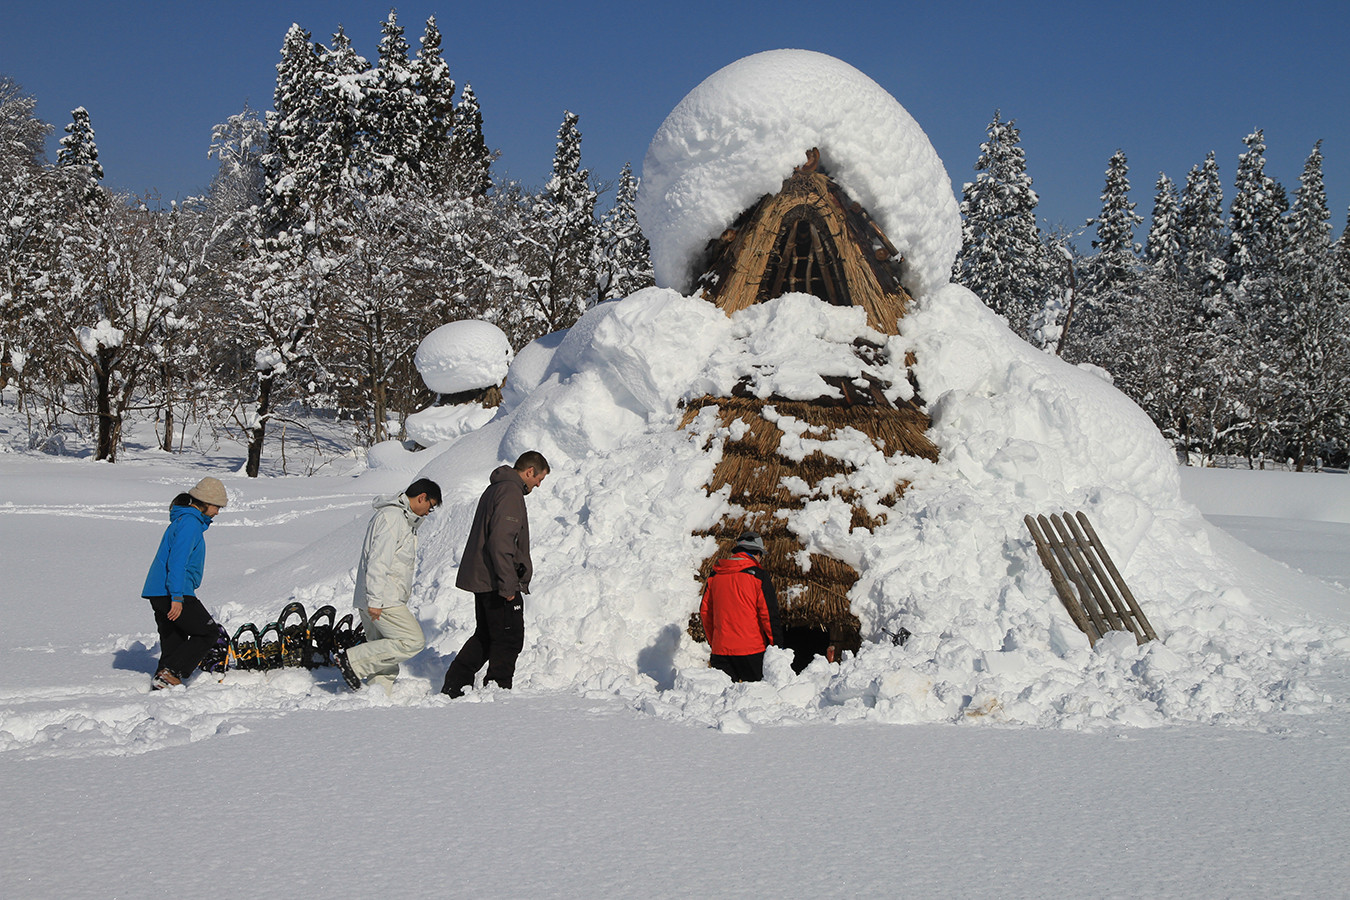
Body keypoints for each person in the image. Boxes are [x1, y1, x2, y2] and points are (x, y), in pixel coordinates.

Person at [441, 451, 549, 698]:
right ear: (530, 471)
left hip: (485, 577)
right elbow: (501, 541)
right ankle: (497, 692)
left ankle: (454, 685)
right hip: (497, 580)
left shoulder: (496, 489)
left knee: (487, 636)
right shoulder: (510, 492)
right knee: (509, 638)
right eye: (539, 479)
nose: (538, 485)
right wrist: (508, 584)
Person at [334, 478, 442, 694]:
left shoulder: (401, 520)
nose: (428, 513)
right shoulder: (392, 518)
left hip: (377, 597)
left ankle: (379, 695)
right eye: (429, 506)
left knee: (383, 652)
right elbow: (378, 561)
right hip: (383, 598)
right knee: (412, 641)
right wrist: (375, 600)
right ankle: (352, 661)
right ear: (422, 497)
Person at [141, 476, 229, 690]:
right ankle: (169, 674)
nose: (217, 512)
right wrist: (178, 597)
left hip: (159, 590)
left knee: (175, 638)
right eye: (217, 506)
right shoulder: (190, 523)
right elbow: (177, 562)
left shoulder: (184, 520)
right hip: (173, 590)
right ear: (205, 503)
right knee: (208, 632)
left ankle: (162, 682)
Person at [699, 531, 783, 683]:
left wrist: (715, 642)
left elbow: (705, 612)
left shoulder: (715, 576)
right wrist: (776, 647)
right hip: (752, 650)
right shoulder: (758, 576)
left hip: (721, 650)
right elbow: (769, 615)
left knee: (720, 702)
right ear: (757, 553)